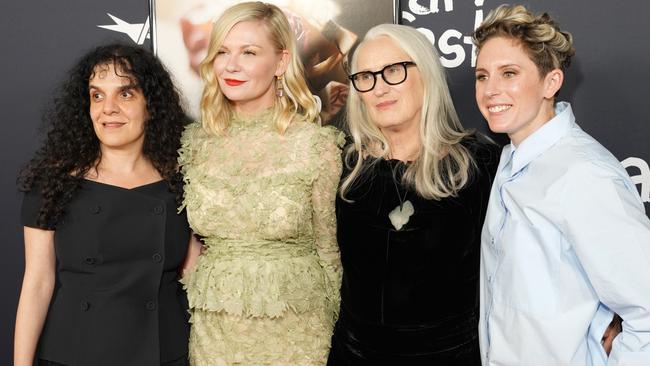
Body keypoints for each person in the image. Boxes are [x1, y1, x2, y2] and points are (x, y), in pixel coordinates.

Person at [473, 5, 650, 366]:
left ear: (551, 82)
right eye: (482, 76)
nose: (491, 90)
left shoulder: (584, 174)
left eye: (509, 73)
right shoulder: (510, 159)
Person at [14, 44, 201, 366]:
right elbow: (37, 283)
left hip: (164, 352)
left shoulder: (185, 181)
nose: (108, 108)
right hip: (73, 352)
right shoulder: (54, 182)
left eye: (125, 94)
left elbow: (195, 275)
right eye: (97, 95)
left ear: (150, 105)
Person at [178, 2, 343, 365]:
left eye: (249, 52)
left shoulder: (315, 146)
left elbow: (329, 253)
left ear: (281, 62)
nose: (231, 65)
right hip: (214, 336)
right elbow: (190, 253)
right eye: (222, 51)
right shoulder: (194, 145)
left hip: (298, 335)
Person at [327, 24, 499, 365]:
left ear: (426, 72)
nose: (379, 88)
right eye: (365, 76)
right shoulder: (346, 165)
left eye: (393, 71)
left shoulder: (479, 163)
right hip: (354, 355)